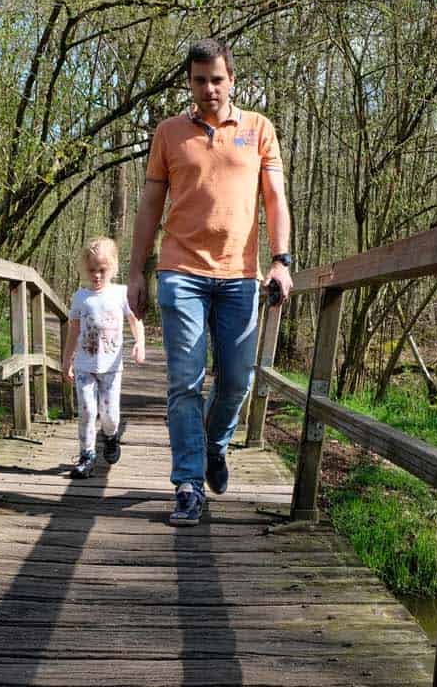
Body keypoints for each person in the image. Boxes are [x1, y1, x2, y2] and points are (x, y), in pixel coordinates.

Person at [127, 38, 293, 526]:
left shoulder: (259, 129)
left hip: (240, 276)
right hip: (180, 273)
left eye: (217, 79)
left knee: (237, 381)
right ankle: (187, 484)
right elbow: (149, 206)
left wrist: (281, 261)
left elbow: (275, 199)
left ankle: (214, 445)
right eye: (199, 80)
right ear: (189, 83)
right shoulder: (168, 133)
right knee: (185, 383)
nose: (208, 89)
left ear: (232, 80)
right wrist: (135, 271)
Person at [62, 236, 145, 479]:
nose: (97, 275)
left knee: (110, 415)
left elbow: (134, 321)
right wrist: (67, 360)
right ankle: (86, 455)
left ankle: (110, 436)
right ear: (84, 269)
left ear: (112, 268)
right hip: (84, 366)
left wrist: (140, 343)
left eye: (102, 270)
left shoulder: (120, 293)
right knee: (87, 412)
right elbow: (74, 330)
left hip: (110, 366)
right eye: (92, 270)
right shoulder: (80, 297)